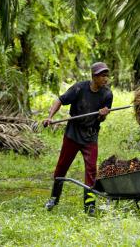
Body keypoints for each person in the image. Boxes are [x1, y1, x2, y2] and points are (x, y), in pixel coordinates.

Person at [43, 62, 113, 215]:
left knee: (91, 171)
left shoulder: (107, 95)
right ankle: (54, 198)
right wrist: (49, 117)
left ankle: (90, 206)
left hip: (90, 135)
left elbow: (101, 119)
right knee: (62, 167)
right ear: (94, 76)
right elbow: (60, 100)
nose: (105, 79)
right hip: (73, 134)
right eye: (102, 76)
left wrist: (103, 115)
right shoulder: (79, 88)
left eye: (106, 75)